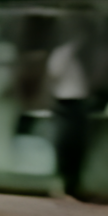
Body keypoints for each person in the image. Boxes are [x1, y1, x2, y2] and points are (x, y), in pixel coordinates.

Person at [46, 21, 95, 199]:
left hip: (74, 102)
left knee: (74, 147)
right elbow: (54, 73)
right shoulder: (64, 51)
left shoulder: (69, 53)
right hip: (67, 102)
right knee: (67, 146)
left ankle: (71, 186)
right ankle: (65, 186)